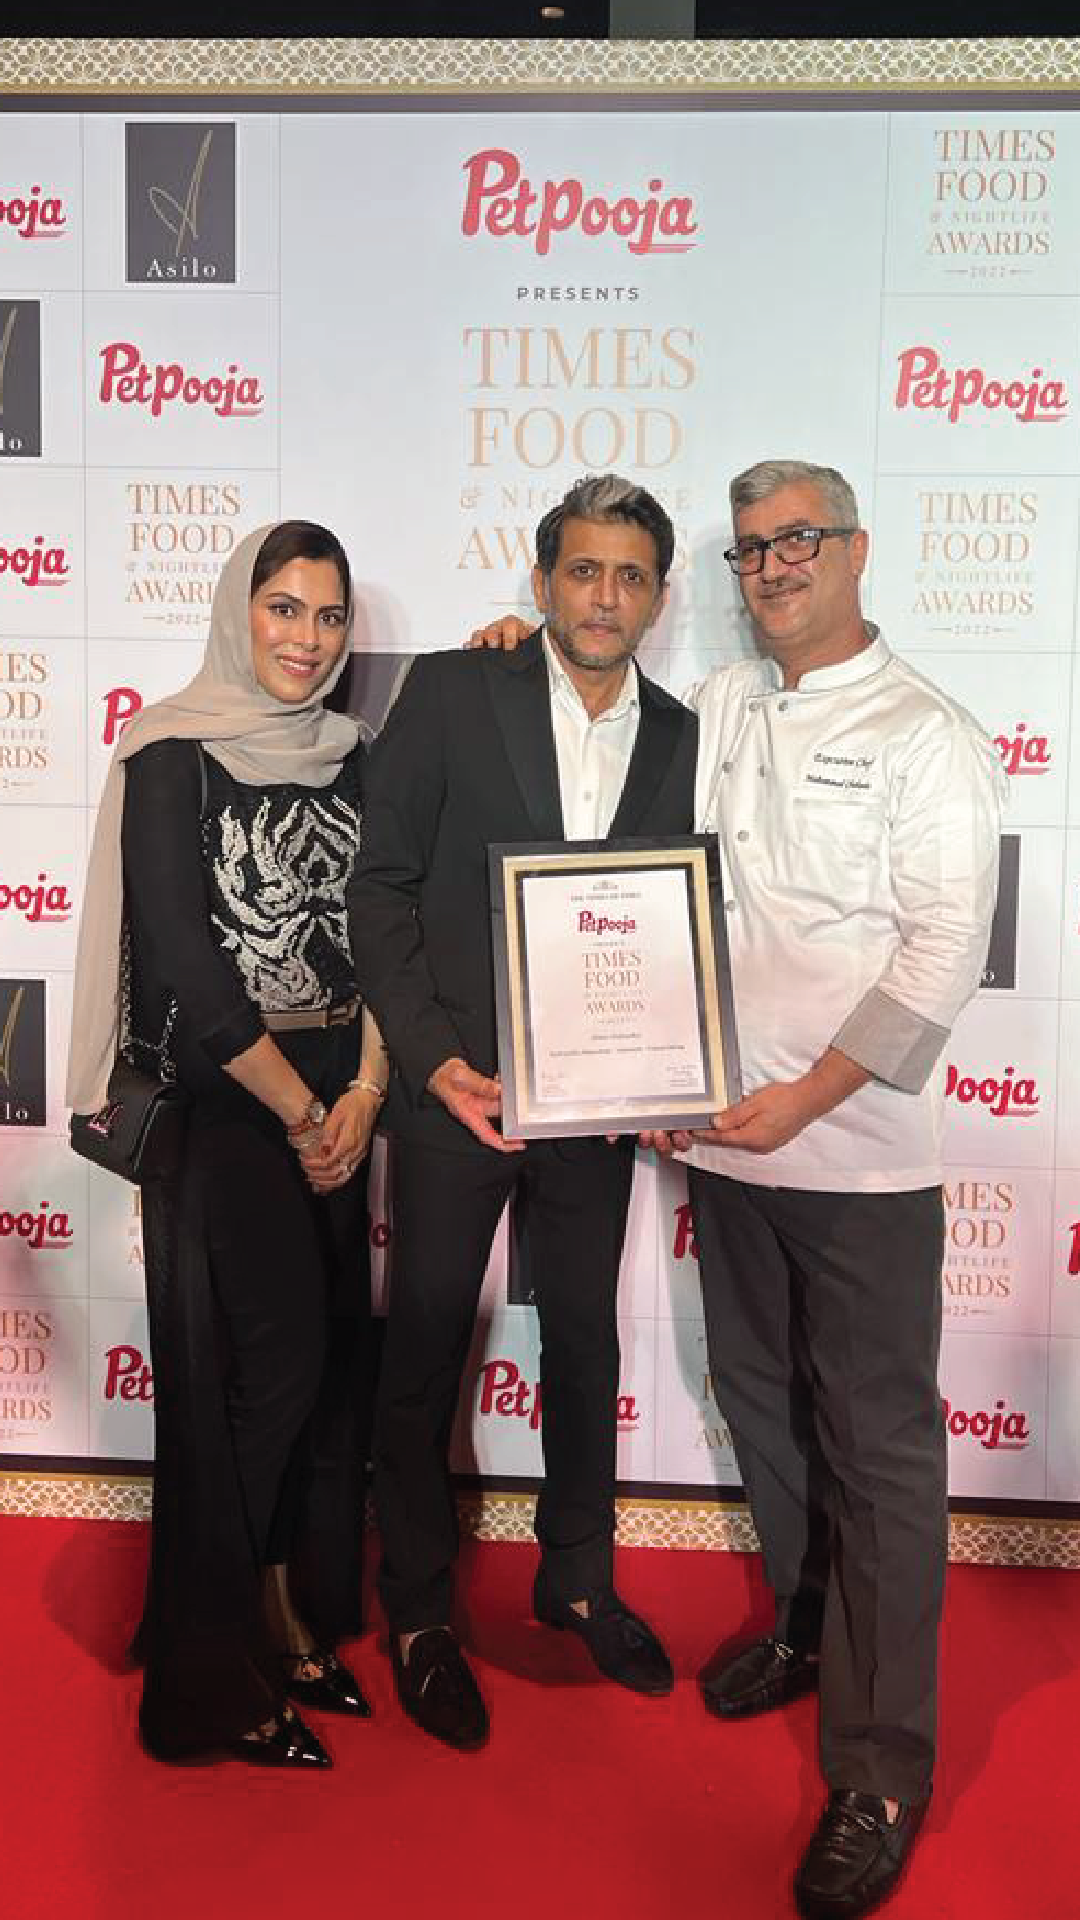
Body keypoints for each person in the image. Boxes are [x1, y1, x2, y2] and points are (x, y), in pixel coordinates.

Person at [469, 459, 1005, 1918]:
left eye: (799, 540)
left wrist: (805, 1103)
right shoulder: (728, 709)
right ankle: (809, 1626)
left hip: (859, 1161)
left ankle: (880, 1772)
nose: (773, 565)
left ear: (857, 550)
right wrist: (512, 658)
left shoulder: (930, 735)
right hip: (723, 1147)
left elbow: (942, 956)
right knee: (764, 1406)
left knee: (880, 1454)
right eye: (753, 548)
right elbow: (633, 811)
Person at [348, 474, 698, 1749]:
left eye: (631, 577)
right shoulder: (455, 691)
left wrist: (671, 1069)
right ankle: (419, 1611)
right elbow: (381, 888)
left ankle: (580, 1578)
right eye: (584, 572)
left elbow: (689, 917)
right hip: (460, 1093)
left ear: (659, 598)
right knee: (426, 1344)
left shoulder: (686, 735)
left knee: (587, 1342)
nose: (605, 598)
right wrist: (436, 1061)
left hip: (598, 1104)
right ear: (543, 581)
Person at [68, 521, 389, 1769]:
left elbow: (385, 936)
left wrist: (362, 1094)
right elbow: (192, 973)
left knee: (321, 1379)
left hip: (339, 1108)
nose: (307, 638)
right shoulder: (170, 754)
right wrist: (305, 1114)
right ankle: (207, 1675)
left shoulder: (357, 758)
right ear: (237, 611)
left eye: (328, 615)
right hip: (226, 1112)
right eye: (284, 608)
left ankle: (282, 1611)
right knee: (265, 1375)